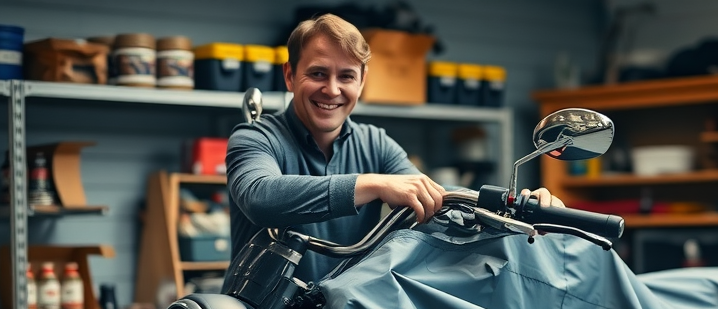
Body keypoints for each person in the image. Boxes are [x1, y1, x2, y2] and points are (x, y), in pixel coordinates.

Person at [226, 13, 561, 282]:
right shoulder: (255, 137)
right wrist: (373, 184)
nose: (331, 90)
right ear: (289, 75)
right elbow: (260, 196)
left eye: (346, 76)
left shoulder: (375, 143)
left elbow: (438, 199)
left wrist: (518, 209)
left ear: (362, 81)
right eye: (317, 73)